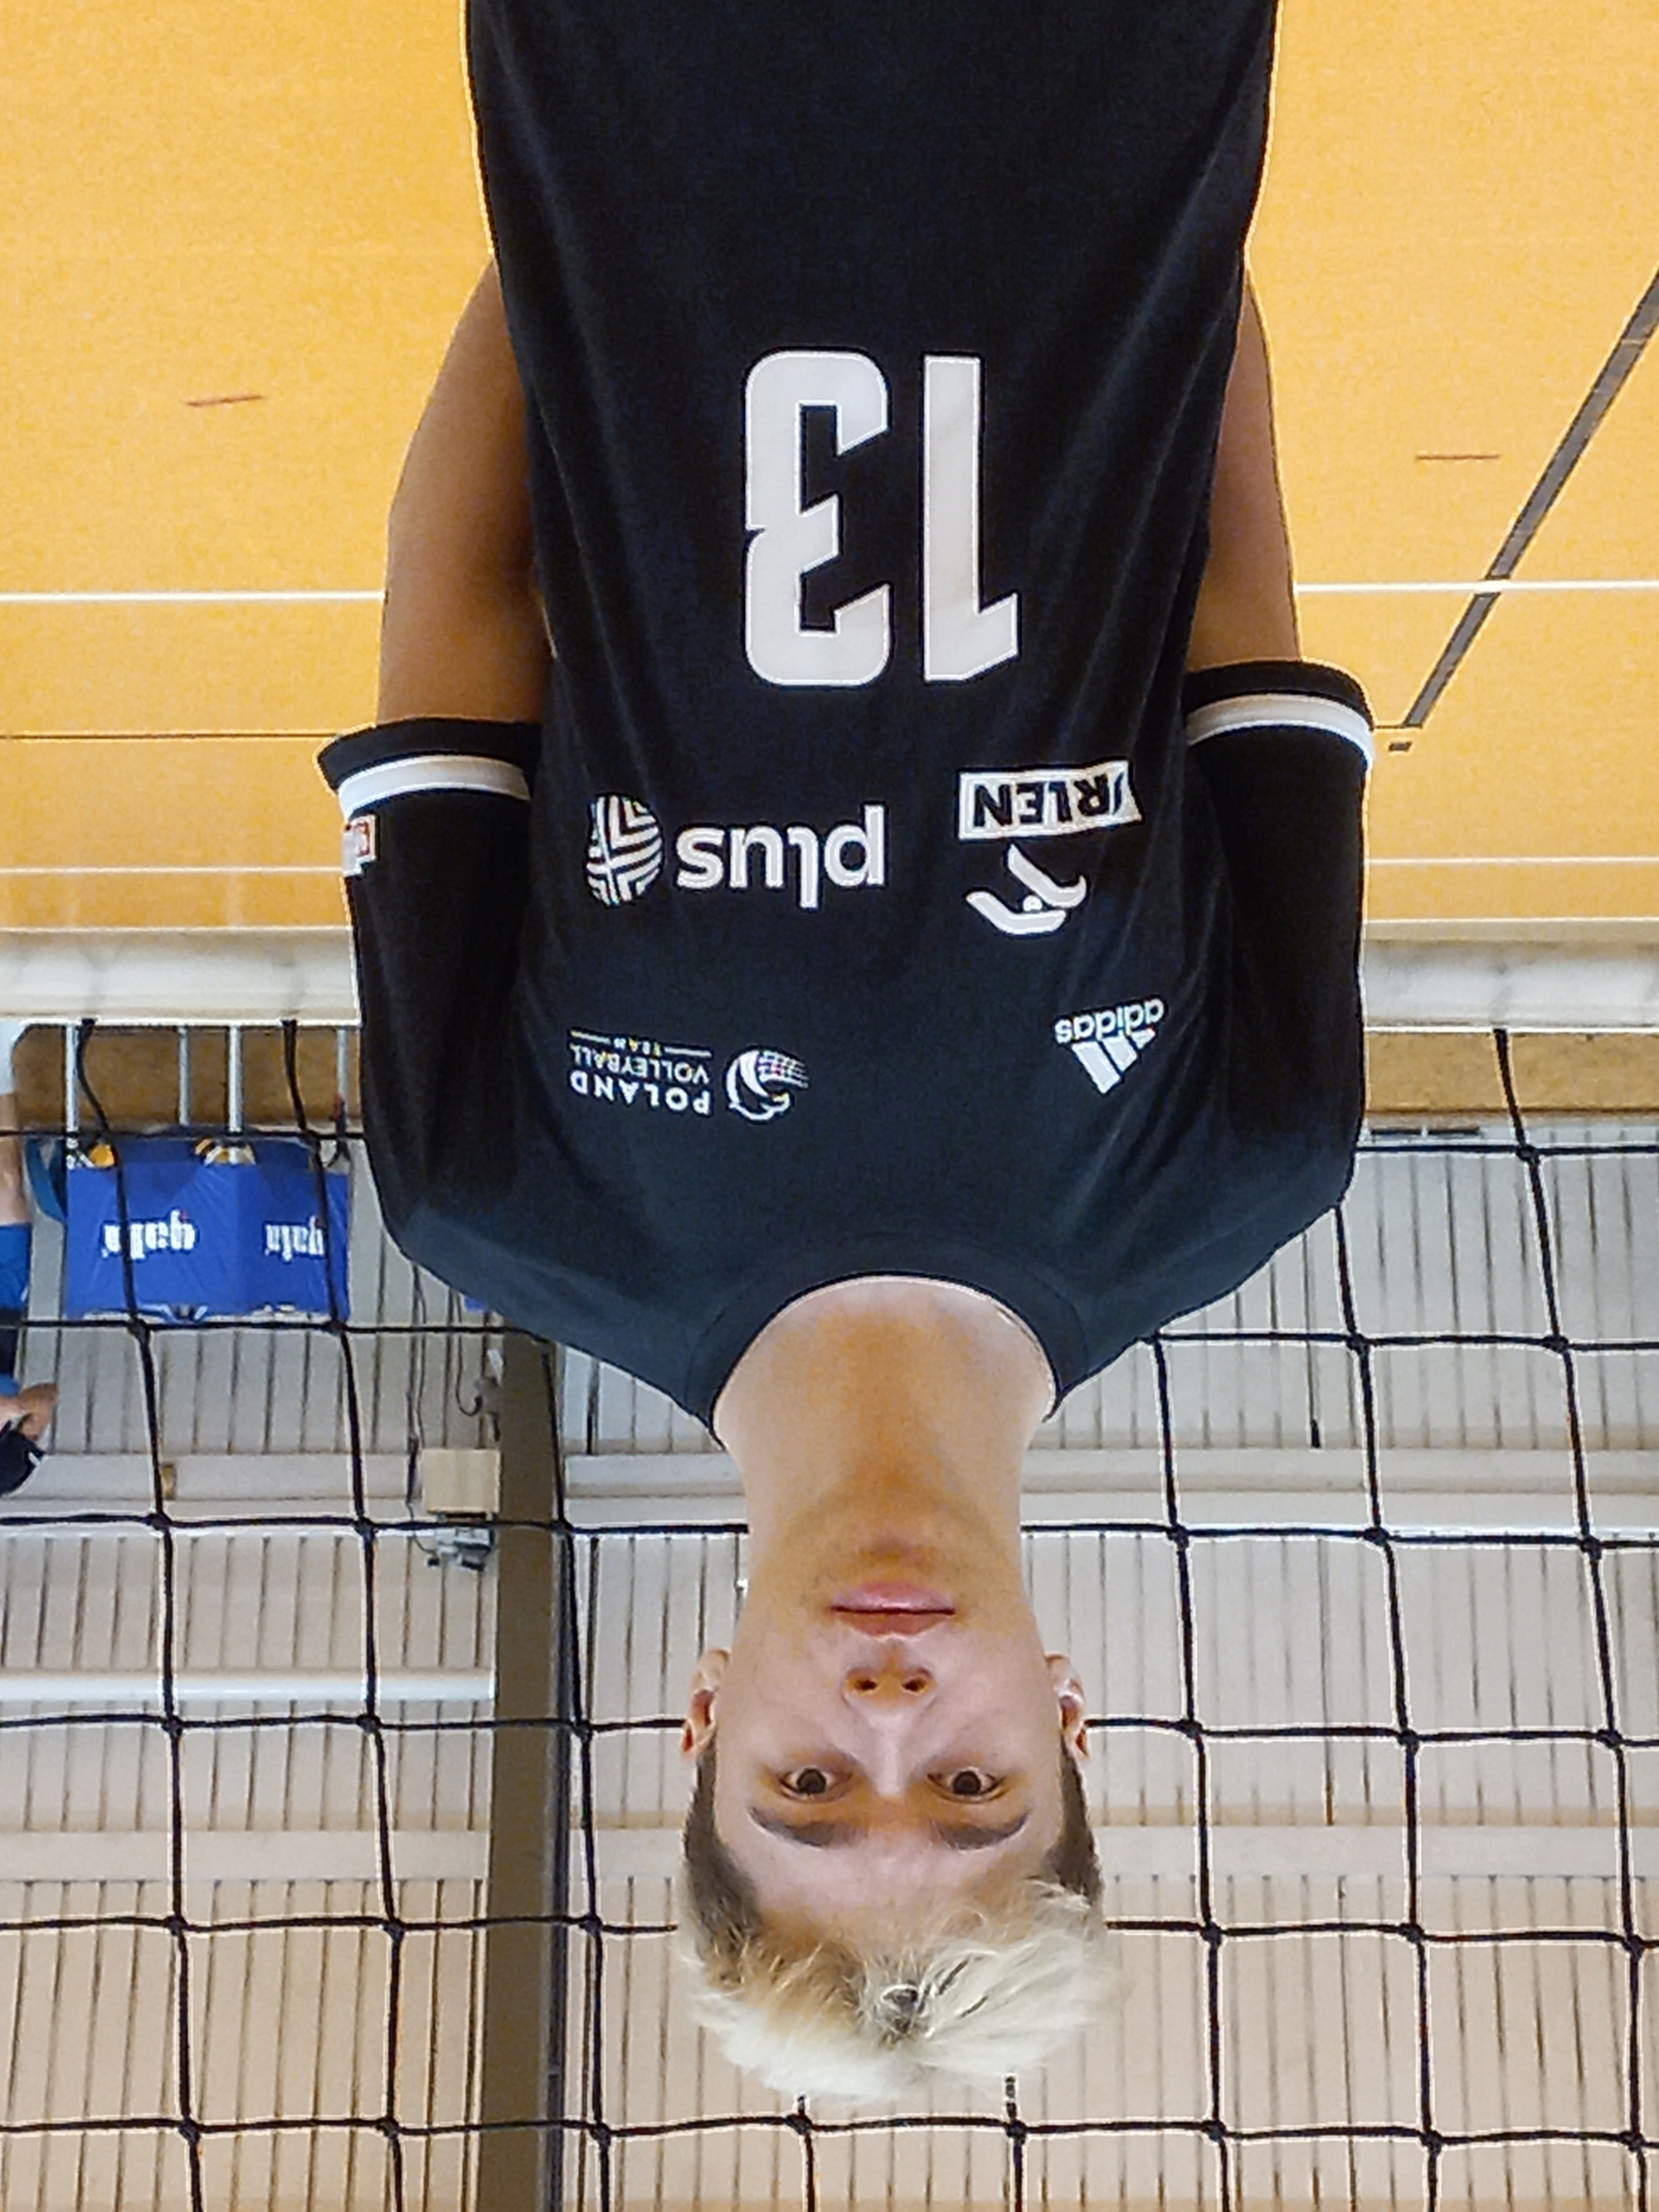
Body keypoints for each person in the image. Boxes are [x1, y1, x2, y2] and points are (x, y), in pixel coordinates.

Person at [323, 0, 1371, 2095]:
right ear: (1065, 1726)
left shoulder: (489, 1190)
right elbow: (1224, 576)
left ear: (702, 1725)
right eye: (971, 1786)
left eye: (805, 1784)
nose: (889, 1715)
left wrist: (602, 224)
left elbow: (458, 600)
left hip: (649, 101)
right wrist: (1154, 227)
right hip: (1087, 106)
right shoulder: (1250, 1150)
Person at [0, 1024, 56, 1498]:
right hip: (3, 1304)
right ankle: (2, 1052)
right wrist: (12, 1407)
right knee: (8, 1181)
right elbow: (47, 1398)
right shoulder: (4, 1475)